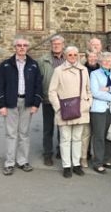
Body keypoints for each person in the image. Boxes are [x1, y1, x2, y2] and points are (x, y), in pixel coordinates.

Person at [0, 37, 42, 176]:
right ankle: (9, 163)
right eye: (19, 45)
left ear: (27, 47)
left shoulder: (33, 64)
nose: (22, 47)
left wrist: (36, 104)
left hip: (27, 104)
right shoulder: (6, 65)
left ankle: (22, 161)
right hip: (11, 103)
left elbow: (38, 85)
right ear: (15, 47)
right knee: (11, 134)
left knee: (24, 134)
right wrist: (1, 105)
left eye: (24, 45)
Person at [48, 46, 92, 178]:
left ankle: (76, 164)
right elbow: (52, 91)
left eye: (75, 55)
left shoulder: (83, 70)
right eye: (70, 55)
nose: (73, 57)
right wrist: (59, 107)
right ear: (65, 56)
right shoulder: (58, 71)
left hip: (81, 109)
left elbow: (88, 90)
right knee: (65, 139)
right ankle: (66, 166)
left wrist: (87, 104)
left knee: (78, 138)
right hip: (64, 110)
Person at [90, 52, 111, 173]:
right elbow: (95, 92)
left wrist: (108, 89)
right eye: (104, 60)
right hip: (99, 109)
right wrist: (110, 97)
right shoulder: (94, 74)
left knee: (110, 135)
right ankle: (98, 162)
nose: (107, 62)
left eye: (109, 60)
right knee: (99, 136)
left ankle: (106, 159)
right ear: (100, 62)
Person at [37, 35, 65, 166]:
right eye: (54, 44)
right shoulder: (43, 60)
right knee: (48, 128)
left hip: (64, 99)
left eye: (58, 44)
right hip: (48, 99)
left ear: (63, 45)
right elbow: (38, 79)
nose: (56, 46)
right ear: (51, 45)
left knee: (62, 127)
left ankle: (61, 150)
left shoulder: (68, 59)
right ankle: (47, 154)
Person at [80, 50, 100, 167]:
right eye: (90, 57)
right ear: (87, 58)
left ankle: (95, 155)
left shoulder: (101, 70)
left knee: (96, 133)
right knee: (86, 133)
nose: (92, 59)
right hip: (86, 105)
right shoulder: (82, 70)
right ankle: (83, 157)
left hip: (98, 105)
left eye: (94, 57)